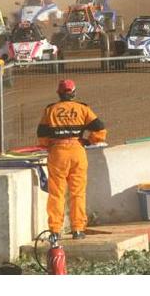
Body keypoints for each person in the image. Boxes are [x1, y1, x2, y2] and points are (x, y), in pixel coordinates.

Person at [37, 79, 107, 242]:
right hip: (77, 151)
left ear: (59, 93)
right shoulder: (83, 108)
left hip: (58, 153)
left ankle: (55, 230)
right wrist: (88, 141)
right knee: (78, 193)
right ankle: (78, 229)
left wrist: (50, 144)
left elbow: (42, 135)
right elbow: (100, 129)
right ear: (74, 93)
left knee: (56, 194)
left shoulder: (50, 110)